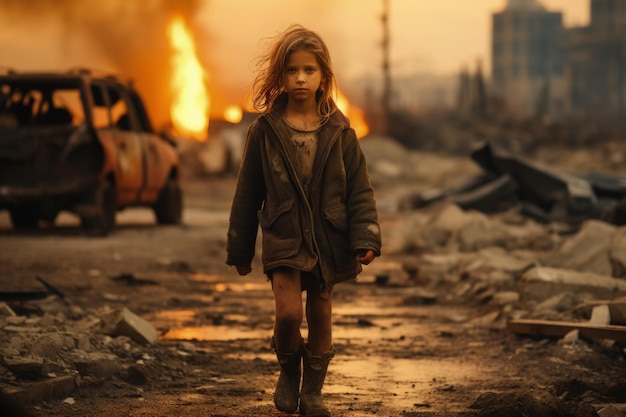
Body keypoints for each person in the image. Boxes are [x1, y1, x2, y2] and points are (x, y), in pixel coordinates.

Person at [226, 24, 381, 417]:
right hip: (283, 234)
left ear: (323, 78)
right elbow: (247, 193)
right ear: (280, 76)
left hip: (329, 237)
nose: (300, 78)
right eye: (292, 70)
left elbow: (359, 191)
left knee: (321, 312)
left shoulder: (341, 132)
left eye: (309, 70)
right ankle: (288, 371)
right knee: (289, 313)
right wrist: (240, 248)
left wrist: (365, 236)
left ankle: (313, 391)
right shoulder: (265, 131)